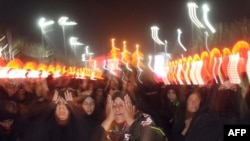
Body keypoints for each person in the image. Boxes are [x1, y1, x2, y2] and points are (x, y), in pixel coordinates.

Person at [91, 90, 166, 141]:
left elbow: (157, 138)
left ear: (133, 107)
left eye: (121, 105)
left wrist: (131, 121)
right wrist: (108, 120)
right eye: (113, 106)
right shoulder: (109, 125)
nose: (117, 108)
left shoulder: (143, 119)